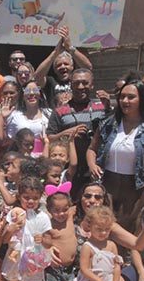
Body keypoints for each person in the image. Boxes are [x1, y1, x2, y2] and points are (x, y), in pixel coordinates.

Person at [87, 79, 144, 232]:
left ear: (142, 99)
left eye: (131, 97)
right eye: (122, 97)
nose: (125, 101)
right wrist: (92, 165)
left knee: (127, 230)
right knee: (103, 228)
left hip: (133, 189)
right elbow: (92, 149)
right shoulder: (108, 123)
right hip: (107, 185)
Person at [0, 176, 52, 281]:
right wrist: (10, 229)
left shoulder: (43, 217)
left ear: (41, 198)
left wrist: (42, 240)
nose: (31, 201)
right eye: (26, 197)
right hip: (14, 260)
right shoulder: (13, 214)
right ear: (19, 196)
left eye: (35, 198)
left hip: (33, 262)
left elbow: (49, 242)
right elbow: (6, 240)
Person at [46, 68, 109, 196]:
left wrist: (108, 108)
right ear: (70, 85)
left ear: (92, 85)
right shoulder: (60, 111)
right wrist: (67, 133)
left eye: (85, 83)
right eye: (76, 83)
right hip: (69, 170)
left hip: (97, 167)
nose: (81, 87)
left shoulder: (102, 107)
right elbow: (50, 138)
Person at [35, 184, 77, 281]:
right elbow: (43, 242)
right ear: (49, 211)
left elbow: (72, 207)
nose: (61, 214)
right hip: (55, 269)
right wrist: (48, 248)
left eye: (64, 209)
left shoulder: (70, 216)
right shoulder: (49, 226)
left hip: (69, 269)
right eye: (56, 211)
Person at [34, 26, 93, 107]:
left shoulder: (78, 80)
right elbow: (37, 76)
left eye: (66, 64)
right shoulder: (50, 82)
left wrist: (70, 48)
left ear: (72, 66)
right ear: (54, 69)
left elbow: (88, 68)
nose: (62, 67)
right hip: (56, 117)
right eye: (58, 65)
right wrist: (55, 53)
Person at [0, 80, 51, 158]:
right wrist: (4, 118)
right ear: (23, 96)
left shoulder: (49, 113)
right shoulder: (15, 116)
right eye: (27, 91)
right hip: (21, 159)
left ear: (40, 94)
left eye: (35, 90)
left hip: (44, 158)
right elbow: (6, 141)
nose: (31, 93)